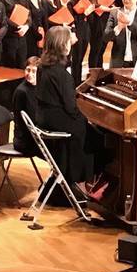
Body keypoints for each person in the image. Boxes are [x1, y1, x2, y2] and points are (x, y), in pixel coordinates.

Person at [35, 26, 98, 194]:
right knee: (95, 135)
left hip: (43, 117)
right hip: (58, 120)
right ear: (62, 45)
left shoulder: (42, 67)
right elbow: (71, 108)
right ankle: (83, 183)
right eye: (68, 41)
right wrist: (89, 118)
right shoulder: (62, 75)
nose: (70, 44)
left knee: (90, 130)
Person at [11, 57, 40, 156]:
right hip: (25, 140)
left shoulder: (41, 87)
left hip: (35, 134)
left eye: (34, 71)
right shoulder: (21, 92)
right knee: (60, 148)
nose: (30, 74)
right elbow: (21, 123)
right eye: (28, 70)